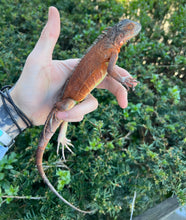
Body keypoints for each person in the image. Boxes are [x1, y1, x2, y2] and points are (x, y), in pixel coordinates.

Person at [0, 7, 137, 160]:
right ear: (120, 36)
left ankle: (60, 136)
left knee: (67, 109)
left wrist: (17, 108)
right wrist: (124, 80)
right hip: (69, 97)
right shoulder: (112, 50)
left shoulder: (109, 48)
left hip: (69, 96)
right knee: (66, 108)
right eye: (130, 29)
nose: (134, 30)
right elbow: (111, 71)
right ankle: (59, 137)